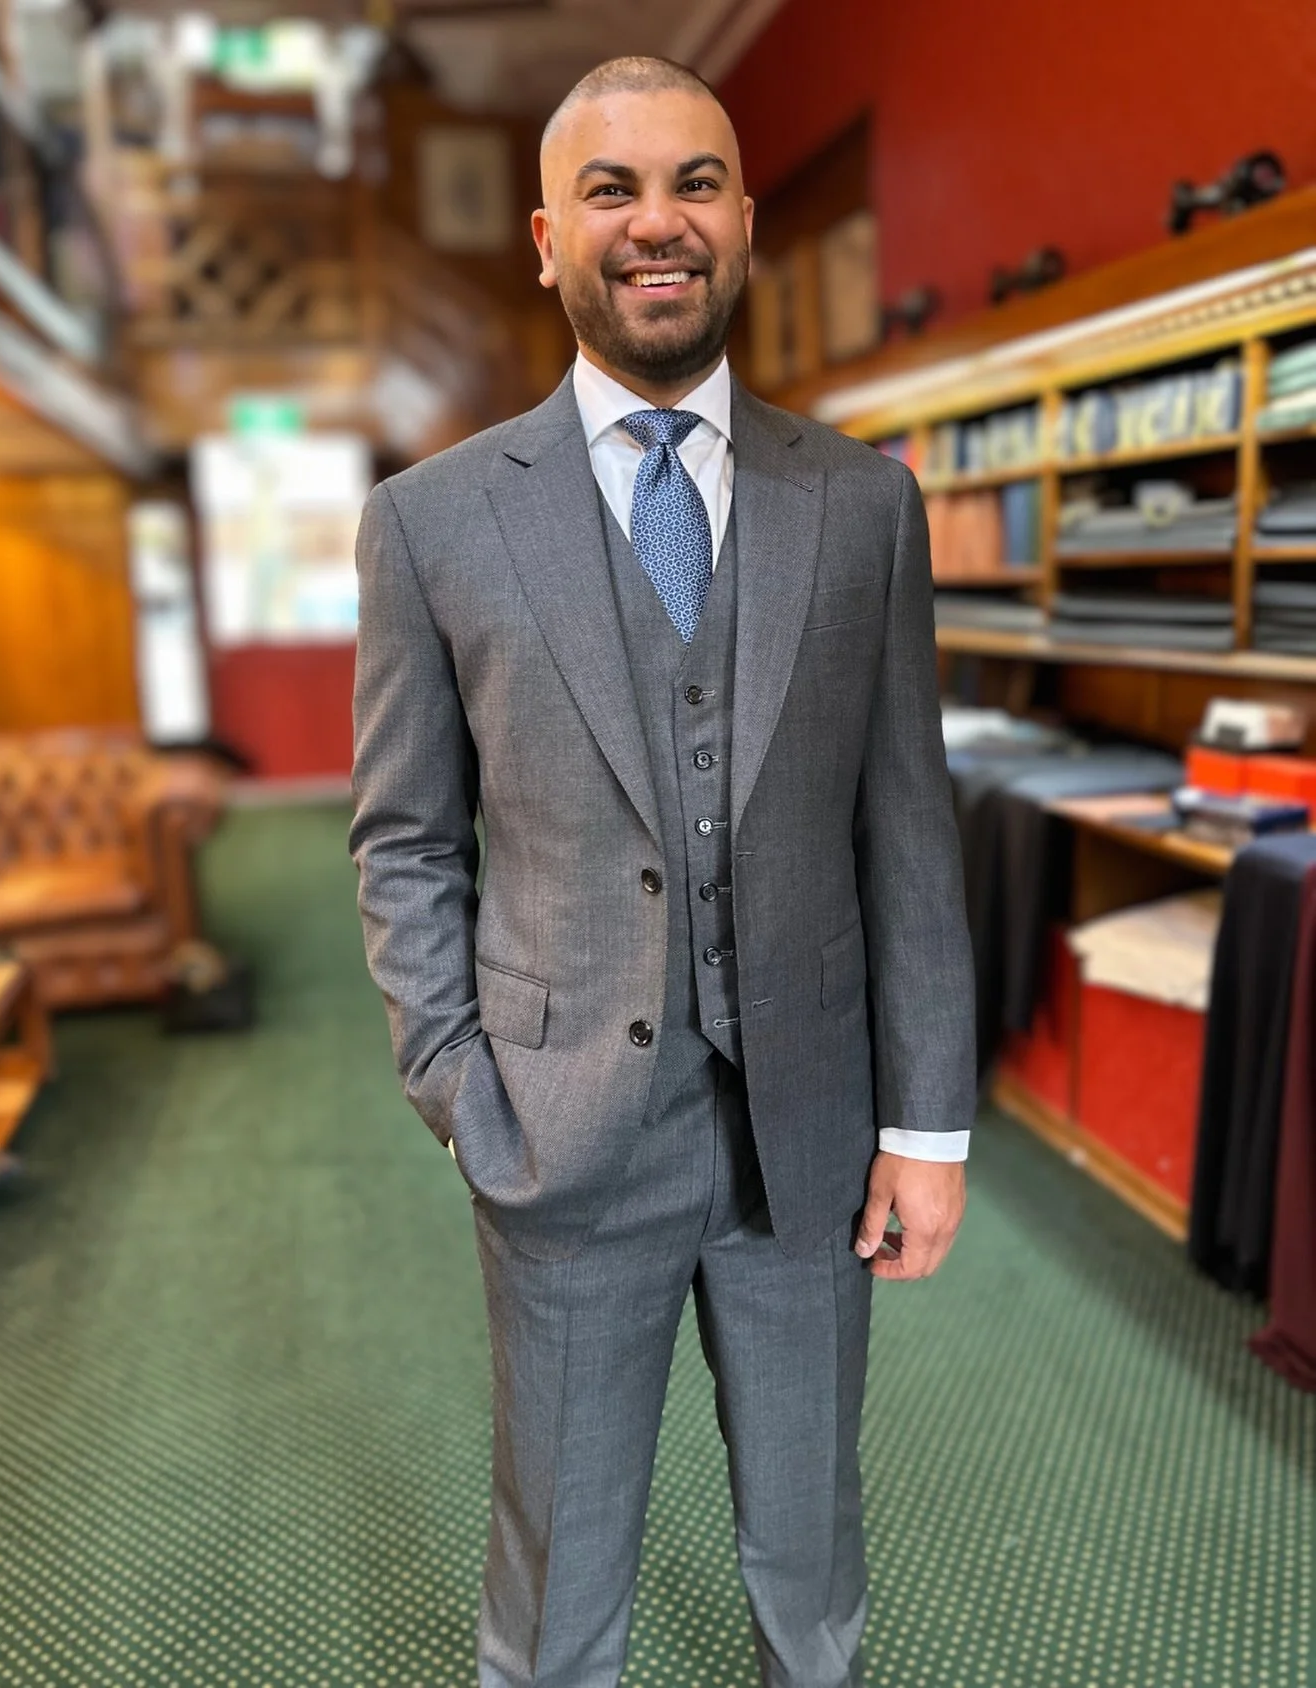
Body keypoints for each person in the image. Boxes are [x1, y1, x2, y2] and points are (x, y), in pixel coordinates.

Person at [350, 55, 976, 1688]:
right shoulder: (430, 523)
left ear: (745, 223)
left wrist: (925, 1128)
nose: (658, 224)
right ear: (546, 239)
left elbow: (906, 829)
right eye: (613, 192)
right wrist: (460, 1091)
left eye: (694, 183)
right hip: (558, 1146)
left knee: (809, 1562)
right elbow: (405, 838)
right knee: (555, 1589)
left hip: (813, 1146)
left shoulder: (862, 507)